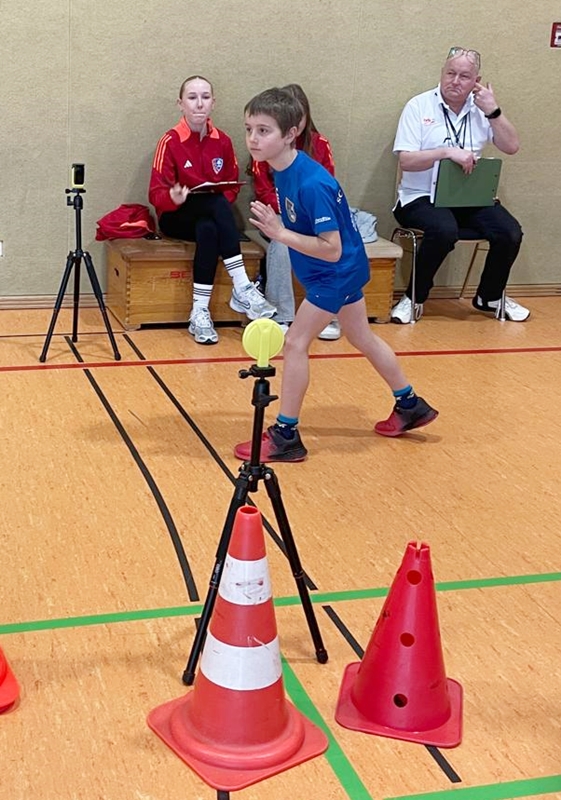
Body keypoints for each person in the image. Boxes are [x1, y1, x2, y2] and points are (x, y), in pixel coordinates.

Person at [234, 88, 438, 463]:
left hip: (335, 273)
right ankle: (410, 405)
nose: (253, 139)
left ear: (290, 134)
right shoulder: (281, 169)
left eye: (264, 131)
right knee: (361, 336)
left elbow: (332, 248)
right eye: (249, 129)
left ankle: (286, 435)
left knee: (295, 343)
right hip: (333, 272)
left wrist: (280, 233)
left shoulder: (312, 183)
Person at [391, 47, 529, 324]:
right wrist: (445, 152)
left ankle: (489, 297)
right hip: (420, 197)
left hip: (467, 197)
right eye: (450, 73)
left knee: (509, 231)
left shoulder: (482, 110)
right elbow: (406, 161)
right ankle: (414, 297)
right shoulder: (418, 106)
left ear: (476, 81)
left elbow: (511, 146)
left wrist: (494, 111)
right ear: (442, 74)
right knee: (444, 230)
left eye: (464, 76)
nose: (455, 81)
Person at [149, 75, 276, 344]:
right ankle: (242, 286)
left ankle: (199, 312)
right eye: (192, 97)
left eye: (205, 97)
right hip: (176, 217)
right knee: (214, 205)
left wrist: (217, 202)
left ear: (213, 103)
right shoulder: (170, 141)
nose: (199, 104)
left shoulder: (223, 141)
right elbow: (155, 195)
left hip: (211, 218)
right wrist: (173, 197)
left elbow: (231, 186)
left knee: (209, 228)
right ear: (181, 104)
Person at [250, 83, 341, 341]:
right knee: (282, 241)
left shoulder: (319, 144)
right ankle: (280, 314)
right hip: (278, 216)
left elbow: (327, 185)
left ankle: (330, 314)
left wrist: (306, 214)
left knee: (329, 242)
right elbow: (264, 192)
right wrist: (290, 213)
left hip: (312, 216)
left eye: (299, 116)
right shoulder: (267, 145)